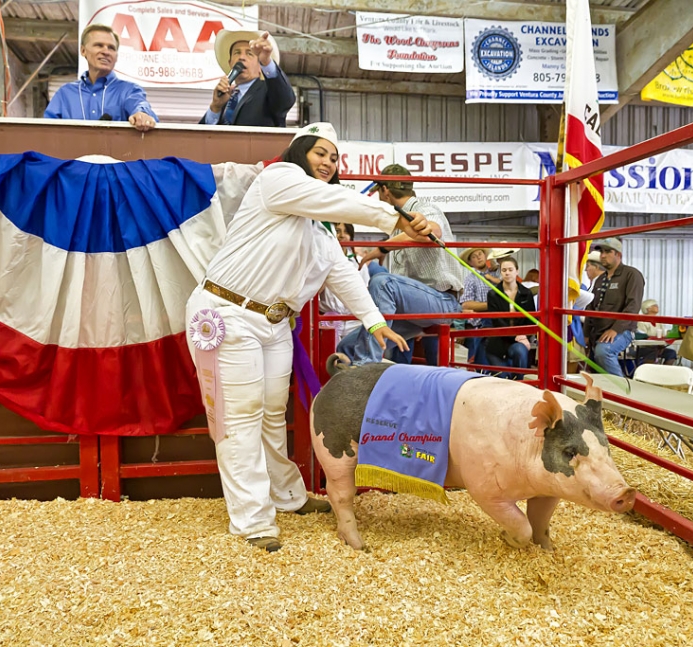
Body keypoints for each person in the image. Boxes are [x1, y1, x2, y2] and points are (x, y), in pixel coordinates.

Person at [185, 122, 431, 552]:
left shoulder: (319, 228)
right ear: (300, 152)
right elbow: (331, 199)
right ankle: (251, 520)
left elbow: (340, 275)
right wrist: (396, 217)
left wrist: (375, 322)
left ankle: (286, 497)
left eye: (334, 158)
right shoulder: (278, 180)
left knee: (271, 414)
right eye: (321, 153)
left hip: (275, 323)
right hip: (227, 313)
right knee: (240, 416)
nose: (328, 163)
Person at [336, 164, 464, 367]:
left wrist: (383, 248)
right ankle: (353, 382)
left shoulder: (423, 208)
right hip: (412, 307)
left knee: (383, 282)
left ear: (385, 190)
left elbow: (434, 231)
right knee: (346, 347)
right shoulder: (398, 225)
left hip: (442, 301)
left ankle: (367, 367)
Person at [44, 24, 157, 131]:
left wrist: (142, 114)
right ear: (83, 51)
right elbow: (46, 132)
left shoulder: (129, 91)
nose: (106, 52)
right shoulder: (65, 94)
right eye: (99, 45)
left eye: (111, 48)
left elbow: (139, 104)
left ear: (116, 56)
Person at [200, 30, 295, 127]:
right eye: (237, 53)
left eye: (249, 53)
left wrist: (266, 62)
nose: (241, 57)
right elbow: (200, 138)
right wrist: (215, 107)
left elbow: (286, 100)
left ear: (260, 65)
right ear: (230, 63)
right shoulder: (225, 97)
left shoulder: (269, 91)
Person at [584, 238, 645, 377]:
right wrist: (586, 333)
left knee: (604, 352)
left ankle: (621, 392)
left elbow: (633, 305)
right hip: (598, 332)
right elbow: (592, 306)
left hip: (623, 330)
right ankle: (603, 395)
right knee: (595, 366)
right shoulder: (601, 279)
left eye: (607, 252)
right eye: (601, 252)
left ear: (618, 254)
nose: (603, 255)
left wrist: (615, 329)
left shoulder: (631, 275)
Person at [485, 257, 536, 380]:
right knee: (500, 378)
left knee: (520, 351)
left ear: (517, 271)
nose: (507, 273)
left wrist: (525, 336)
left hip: (519, 340)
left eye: (510, 269)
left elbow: (531, 318)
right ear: (501, 272)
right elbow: (496, 320)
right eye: (504, 270)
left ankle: (520, 383)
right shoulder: (492, 294)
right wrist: (516, 336)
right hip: (498, 342)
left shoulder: (526, 293)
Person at [459, 247, 501, 368]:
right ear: (470, 263)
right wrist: (493, 305)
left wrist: (494, 262)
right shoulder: (470, 279)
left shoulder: (497, 273)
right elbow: (466, 304)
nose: (478, 257)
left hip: (501, 323)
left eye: (480, 254)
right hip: (480, 326)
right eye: (474, 256)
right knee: (481, 365)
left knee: (499, 363)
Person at [636, 299, 677, 365]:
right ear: (648, 308)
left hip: (658, 348)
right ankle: (650, 371)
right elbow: (642, 337)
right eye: (654, 305)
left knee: (671, 353)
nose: (657, 306)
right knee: (651, 352)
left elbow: (664, 334)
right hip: (644, 348)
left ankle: (664, 371)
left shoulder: (659, 321)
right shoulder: (642, 321)